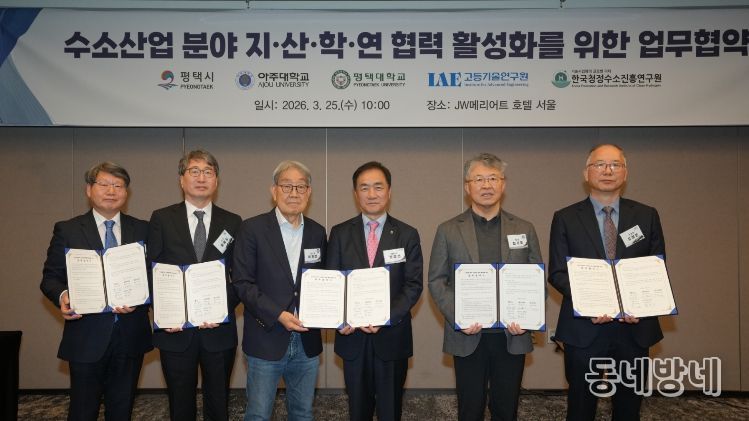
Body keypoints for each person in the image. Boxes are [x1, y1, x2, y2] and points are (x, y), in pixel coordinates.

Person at [548, 143, 665, 421]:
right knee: (581, 406)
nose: (608, 170)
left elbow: (656, 268)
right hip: (584, 328)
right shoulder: (565, 218)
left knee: (629, 406)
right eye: (600, 164)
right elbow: (558, 272)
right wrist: (591, 303)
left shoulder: (646, 215)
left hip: (635, 327)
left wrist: (640, 304)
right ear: (586, 173)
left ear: (625, 173)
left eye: (615, 164)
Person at [428, 153, 542, 421]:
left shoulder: (524, 228)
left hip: (512, 334)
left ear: (503, 184)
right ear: (467, 187)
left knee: (506, 409)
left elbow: (536, 278)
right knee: (470, 409)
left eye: (493, 178)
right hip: (468, 335)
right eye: (479, 179)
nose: (487, 185)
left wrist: (528, 318)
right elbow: (436, 280)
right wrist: (459, 316)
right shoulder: (448, 230)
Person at [40, 162, 152, 421]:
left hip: (130, 336)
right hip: (86, 336)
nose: (111, 191)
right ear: (89, 190)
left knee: (122, 410)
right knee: (82, 411)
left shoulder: (143, 229)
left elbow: (153, 276)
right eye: (104, 184)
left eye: (118, 185)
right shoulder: (68, 229)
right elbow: (50, 278)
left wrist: (141, 298)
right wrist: (63, 296)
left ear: (126, 192)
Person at [147, 149, 242, 421]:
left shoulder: (232, 222)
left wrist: (221, 308)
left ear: (216, 181)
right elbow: (152, 271)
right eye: (195, 171)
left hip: (218, 330)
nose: (202, 178)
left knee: (218, 402)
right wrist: (166, 311)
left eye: (208, 172)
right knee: (180, 403)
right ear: (181, 179)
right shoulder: (162, 219)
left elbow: (241, 276)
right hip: (175, 330)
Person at [327, 161, 423, 421]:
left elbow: (413, 285)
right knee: (358, 410)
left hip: (391, 337)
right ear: (355, 193)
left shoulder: (407, 234)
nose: (371, 194)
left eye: (378, 187)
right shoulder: (339, 233)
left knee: (390, 410)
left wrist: (385, 317)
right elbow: (333, 283)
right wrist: (340, 318)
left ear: (389, 191)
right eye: (364, 188)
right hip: (352, 339)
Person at [232, 160, 327, 421]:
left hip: (307, 341)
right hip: (266, 337)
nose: (294, 193)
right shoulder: (252, 229)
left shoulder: (317, 232)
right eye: (287, 186)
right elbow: (242, 283)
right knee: (258, 414)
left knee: (303, 413)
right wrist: (278, 314)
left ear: (309, 192)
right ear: (274, 190)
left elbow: (325, 281)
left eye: (300, 187)